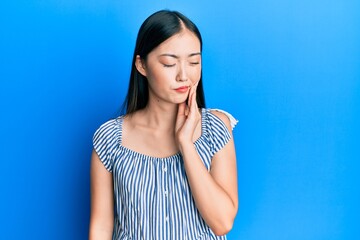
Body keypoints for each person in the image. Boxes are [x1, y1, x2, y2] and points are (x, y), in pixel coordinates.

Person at [89, 10, 238, 240]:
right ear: (142, 65)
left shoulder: (216, 128)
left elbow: (222, 223)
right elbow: (100, 227)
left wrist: (186, 145)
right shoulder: (110, 139)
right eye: (169, 63)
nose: (183, 76)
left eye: (194, 62)